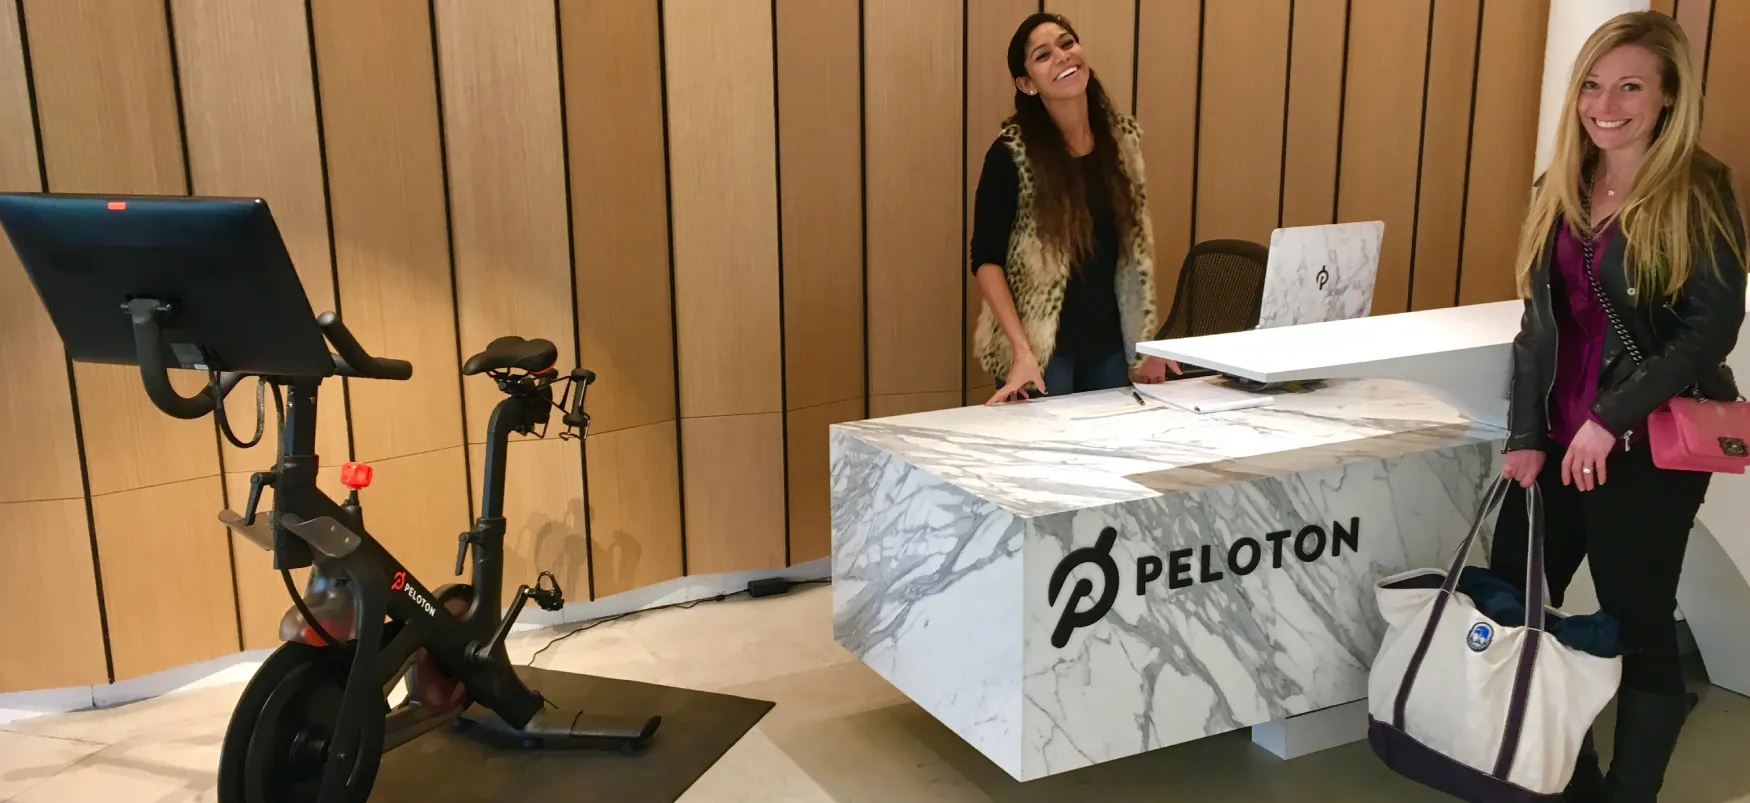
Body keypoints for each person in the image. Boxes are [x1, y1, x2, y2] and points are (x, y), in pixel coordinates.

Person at [1493, 11, 1747, 802]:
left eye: (1631, 86)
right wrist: (1527, 432)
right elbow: (1539, 325)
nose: (1608, 104)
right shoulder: (1560, 185)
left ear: (1667, 96)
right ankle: (1571, 778)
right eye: (1594, 86)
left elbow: (1711, 327)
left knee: (1637, 617)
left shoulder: (1698, 189)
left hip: (1645, 446)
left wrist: (1613, 416)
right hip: (1560, 440)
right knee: (1512, 596)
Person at [970, 12, 1179, 405]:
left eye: (1067, 44)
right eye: (1043, 55)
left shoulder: (1122, 142)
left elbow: (1135, 251)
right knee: (1045, 462)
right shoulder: (1011, 155)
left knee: (1106, 458)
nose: (1063, 56)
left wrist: (1146, 342)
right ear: (1027, 84)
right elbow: (985, 259)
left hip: (1109, 343)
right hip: (1042, 351)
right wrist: (1021, 352)